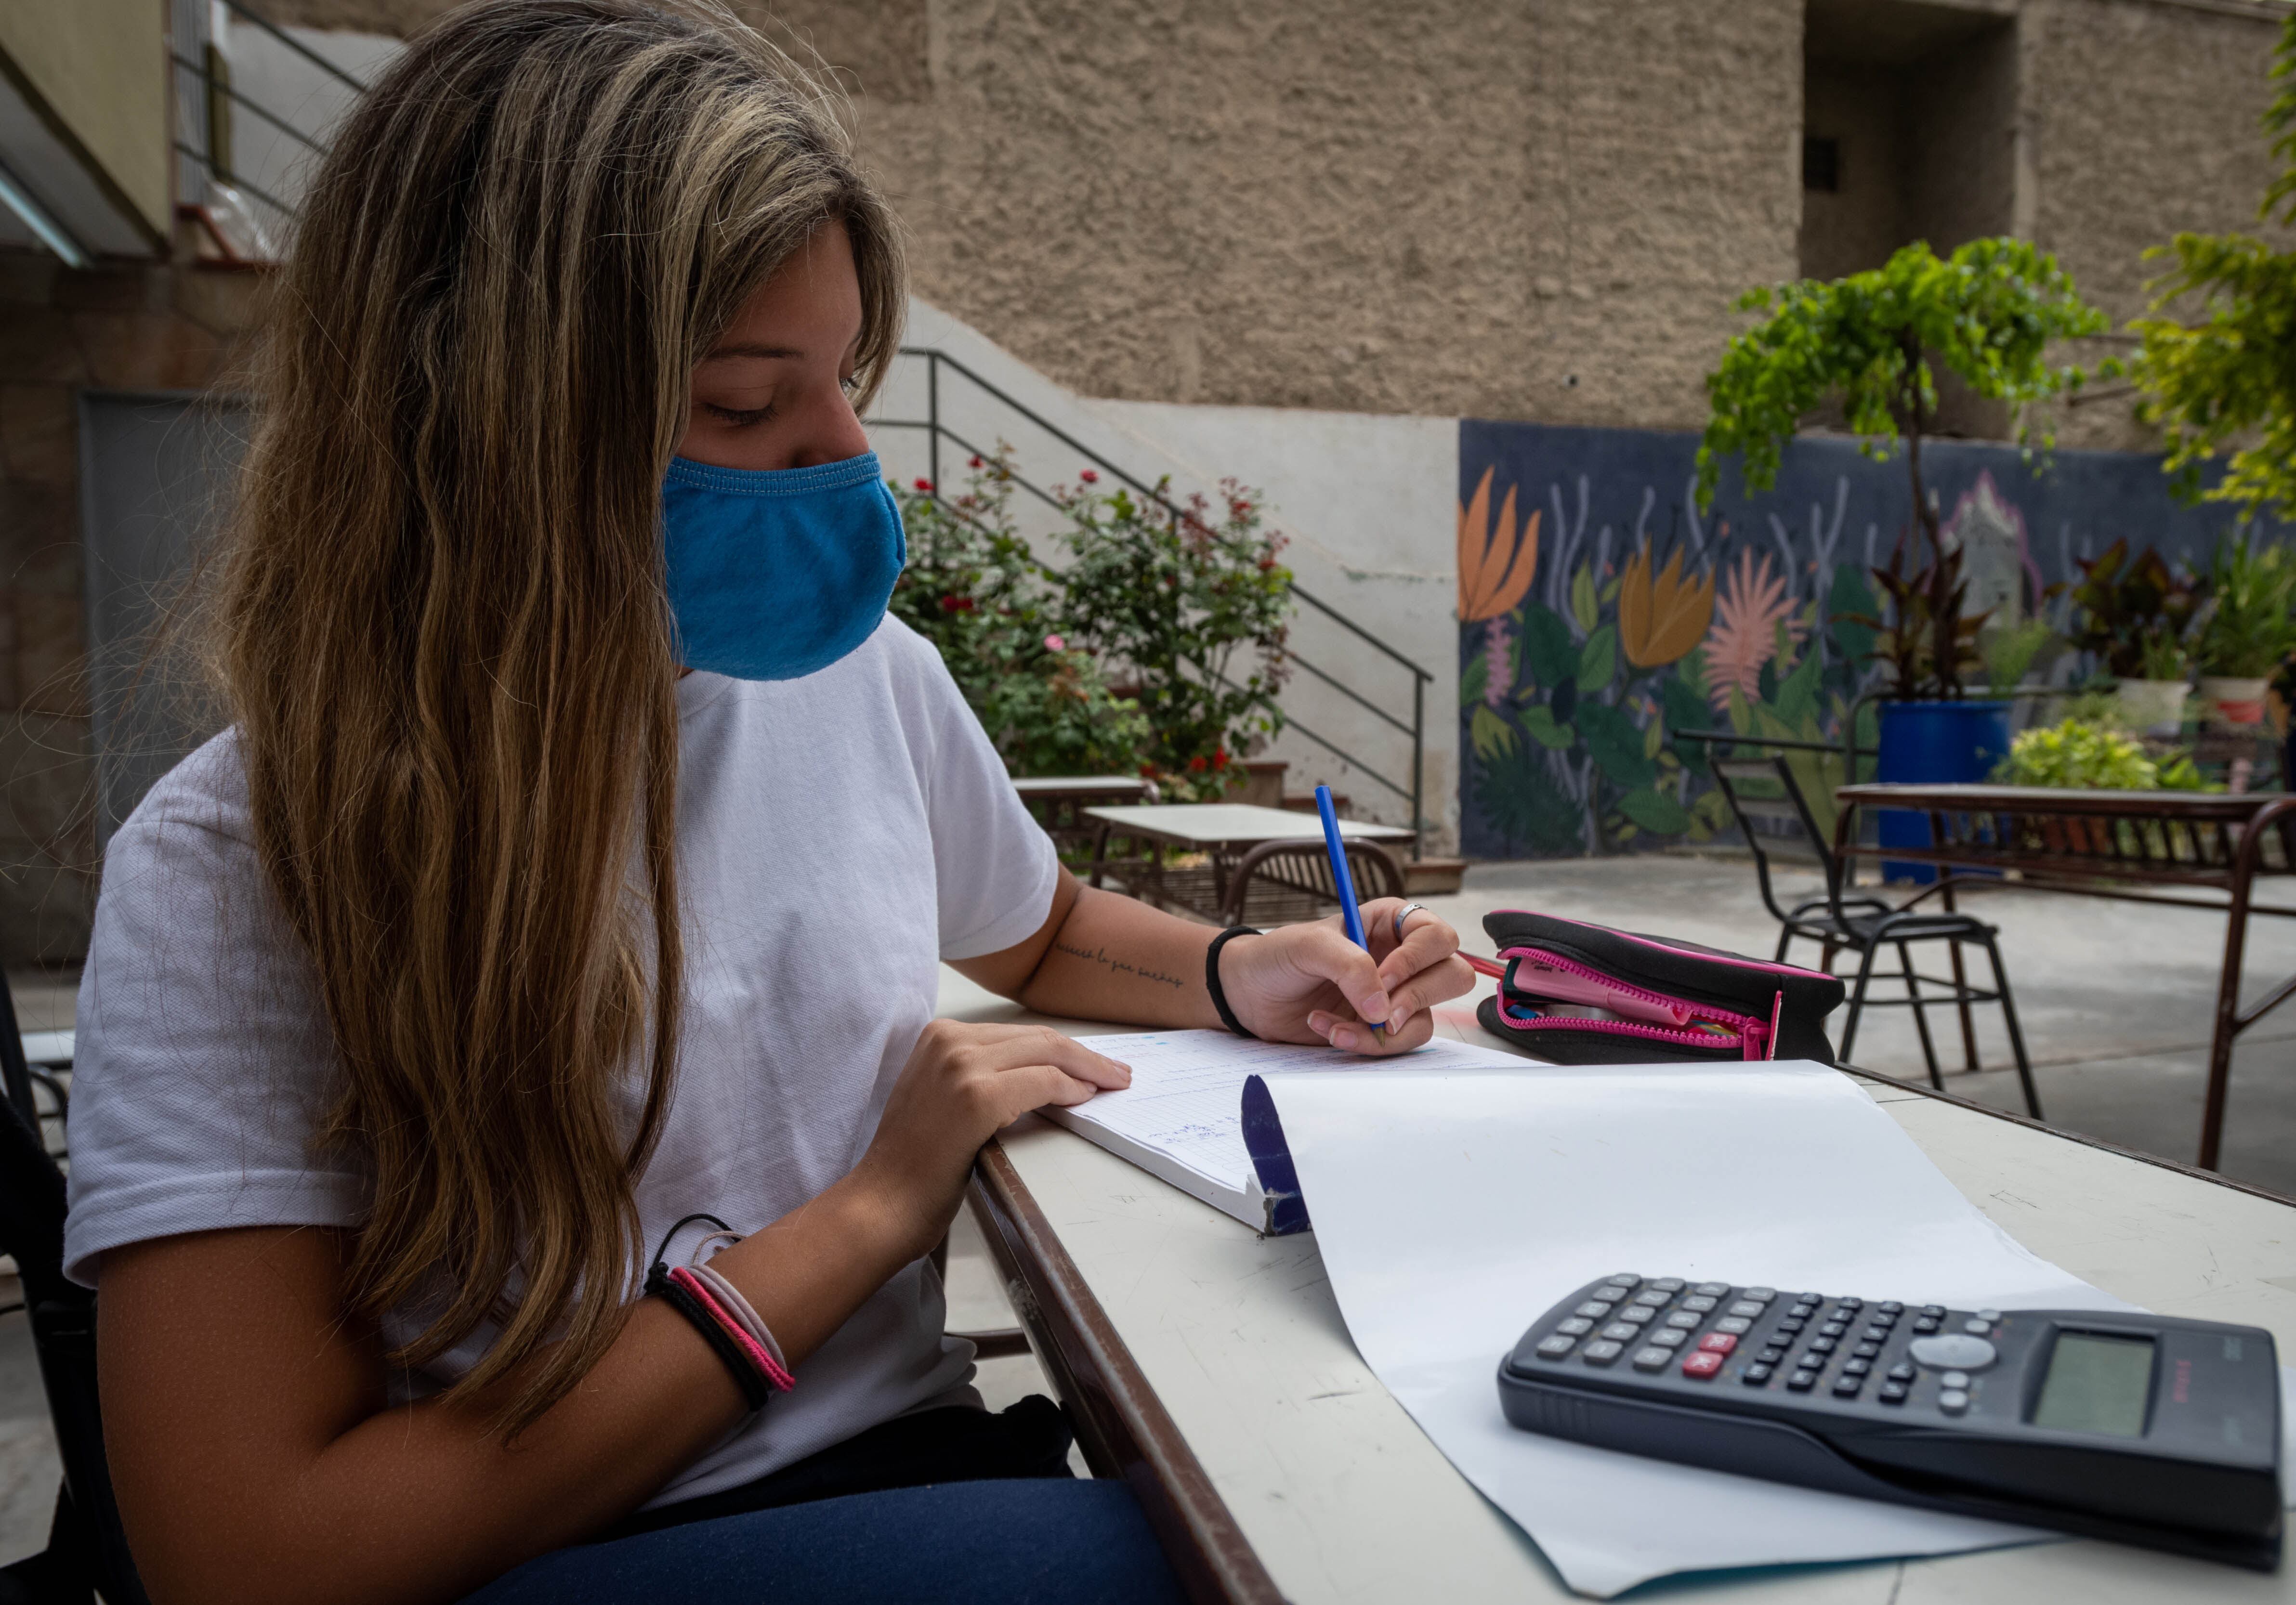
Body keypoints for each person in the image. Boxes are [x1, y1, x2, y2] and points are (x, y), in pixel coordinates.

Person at [60, 4, 1472, 1603]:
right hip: (581, 1546)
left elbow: (1041, 924)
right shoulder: (238, 863)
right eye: (746, 405)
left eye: (851, 380)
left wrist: (1239, 972)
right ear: (483, 423)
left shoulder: (862, 681)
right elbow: (253, 1564)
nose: (846, 457)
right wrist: (869, 1211)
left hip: (901, 1464)